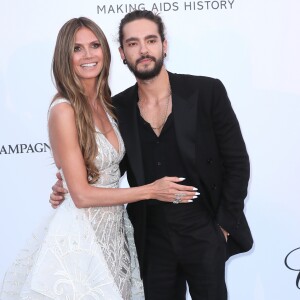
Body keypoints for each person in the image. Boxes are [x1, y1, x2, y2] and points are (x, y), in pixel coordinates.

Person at [50, 10, 253, 300]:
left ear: (164, 45)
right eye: (133, 43)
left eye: (150, 40)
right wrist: (68, 184)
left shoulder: (206, 91)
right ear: (121, 53)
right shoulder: (116, 108)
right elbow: (108, 163)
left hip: (203, 231)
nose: (143, 50)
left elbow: (237, 162)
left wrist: (221, 228)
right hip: (150, 238)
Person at [0, 17, 198, 300]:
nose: (88, 55)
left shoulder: (108, 104)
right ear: (64, 57)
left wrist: (65, 181)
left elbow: (102, 169)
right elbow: (80, 195)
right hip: (82, 234)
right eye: (77, 48)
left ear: (106, 51)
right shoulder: (63, 110)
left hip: (114, 231)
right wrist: (152, 191)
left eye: (94, 45)